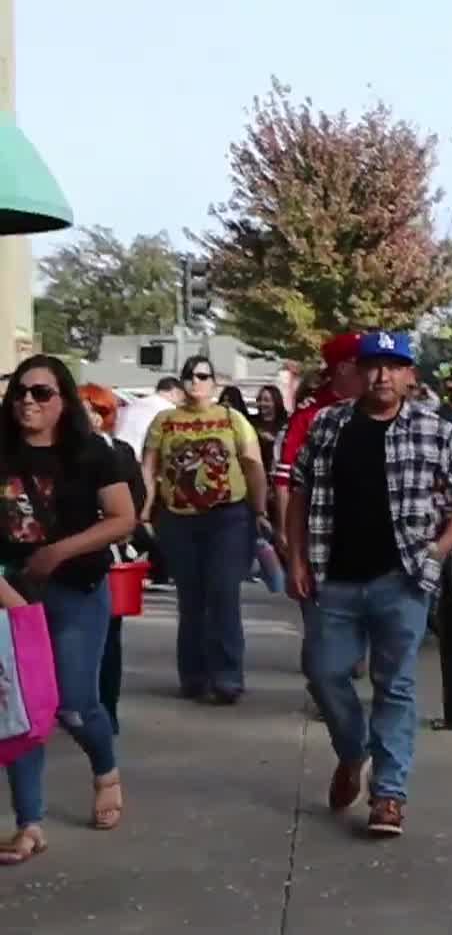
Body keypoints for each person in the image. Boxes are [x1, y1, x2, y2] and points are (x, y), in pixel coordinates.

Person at [287, 331, 452, 837]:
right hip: (336, 578)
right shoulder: (329, 424)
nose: (383, 376)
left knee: (395, 686)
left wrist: (441, 547)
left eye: (394, 366)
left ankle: (389, 795)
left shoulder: (431, 428)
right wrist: (297, 558)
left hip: (403, 579)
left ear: (410, 374)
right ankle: (353, 753)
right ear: (358, 371)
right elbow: (299, 491)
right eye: (374, 365)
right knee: (324, 674)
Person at [0, 356, 137, 864]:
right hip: (10, 597)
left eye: (41, 393)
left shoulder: (91, 453)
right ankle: (29, 823)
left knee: (75, 701)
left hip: (77, 589)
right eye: (20, 392)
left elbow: (123, 518)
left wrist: (59, 551)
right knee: (20, 710)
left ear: (64, 402)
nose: (28, 402)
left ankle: (105, 770)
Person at [141, 355, 272, 704]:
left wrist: (260, 510)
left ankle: (228, 677)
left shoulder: (232, 419)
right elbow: (149, 469)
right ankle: (194, 676)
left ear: (214, 382)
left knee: (224, 593)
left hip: (227, 516)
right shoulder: (164, 421)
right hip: (178, 518)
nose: (196, 382)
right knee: (192, 598)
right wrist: (141, 514)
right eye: (190, 376)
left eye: (203, 376)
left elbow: (253, 465)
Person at [76, 384, 146, 734]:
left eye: (97, 410)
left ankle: (106, 708)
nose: (90, 416)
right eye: (83, 407)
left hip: (110, 555)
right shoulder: (59, 453)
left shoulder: (120, 452)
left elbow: (136, 499)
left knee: (108, 638)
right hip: (67, 555)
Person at [272, 333, 363, 557]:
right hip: (323, 533)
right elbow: (285, 479)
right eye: (363, 362)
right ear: (343, 368)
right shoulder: (309, 415)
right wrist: (285, 533)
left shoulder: (376, 407)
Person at [114, 376, 182, 454]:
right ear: (175, 393)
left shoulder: (134, 404)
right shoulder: (169, 410)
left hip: (117, 453)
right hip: (139, 458)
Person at [253, 385, 288, 469]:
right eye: (259, 400)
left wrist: (274, 441)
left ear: (276, 402)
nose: (262, 403)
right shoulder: (251, 423)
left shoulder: (286, 425)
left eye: (266, 400)